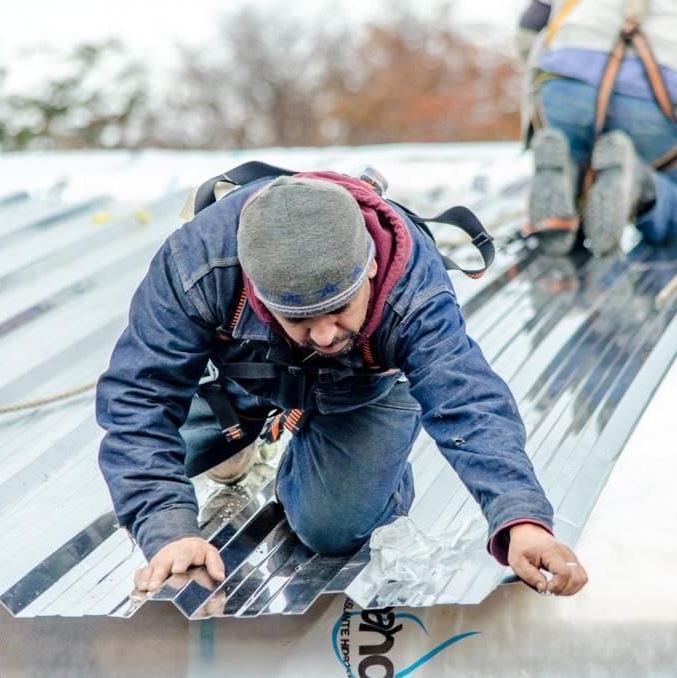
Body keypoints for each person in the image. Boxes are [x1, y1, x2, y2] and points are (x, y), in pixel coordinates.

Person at [96, 171, 588, 597]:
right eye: (302, 318)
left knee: (331, 527)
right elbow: (138, 401)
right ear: (263, 296)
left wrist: (521, 521)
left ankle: (330, 446)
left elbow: (468, 401)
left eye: (338, 309)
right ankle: (244, 430)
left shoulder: (413, 287)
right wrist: (168, 535)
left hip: (359, 386)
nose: (327, 334)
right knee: (146, 463)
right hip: (250, 368)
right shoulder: (197, 264)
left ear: (371, 265)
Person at [516, 0, 677, 256]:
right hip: (656, 102)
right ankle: (638, 182)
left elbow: (527, 34)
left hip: (565, 85)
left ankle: (570, 169)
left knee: (572, 140)